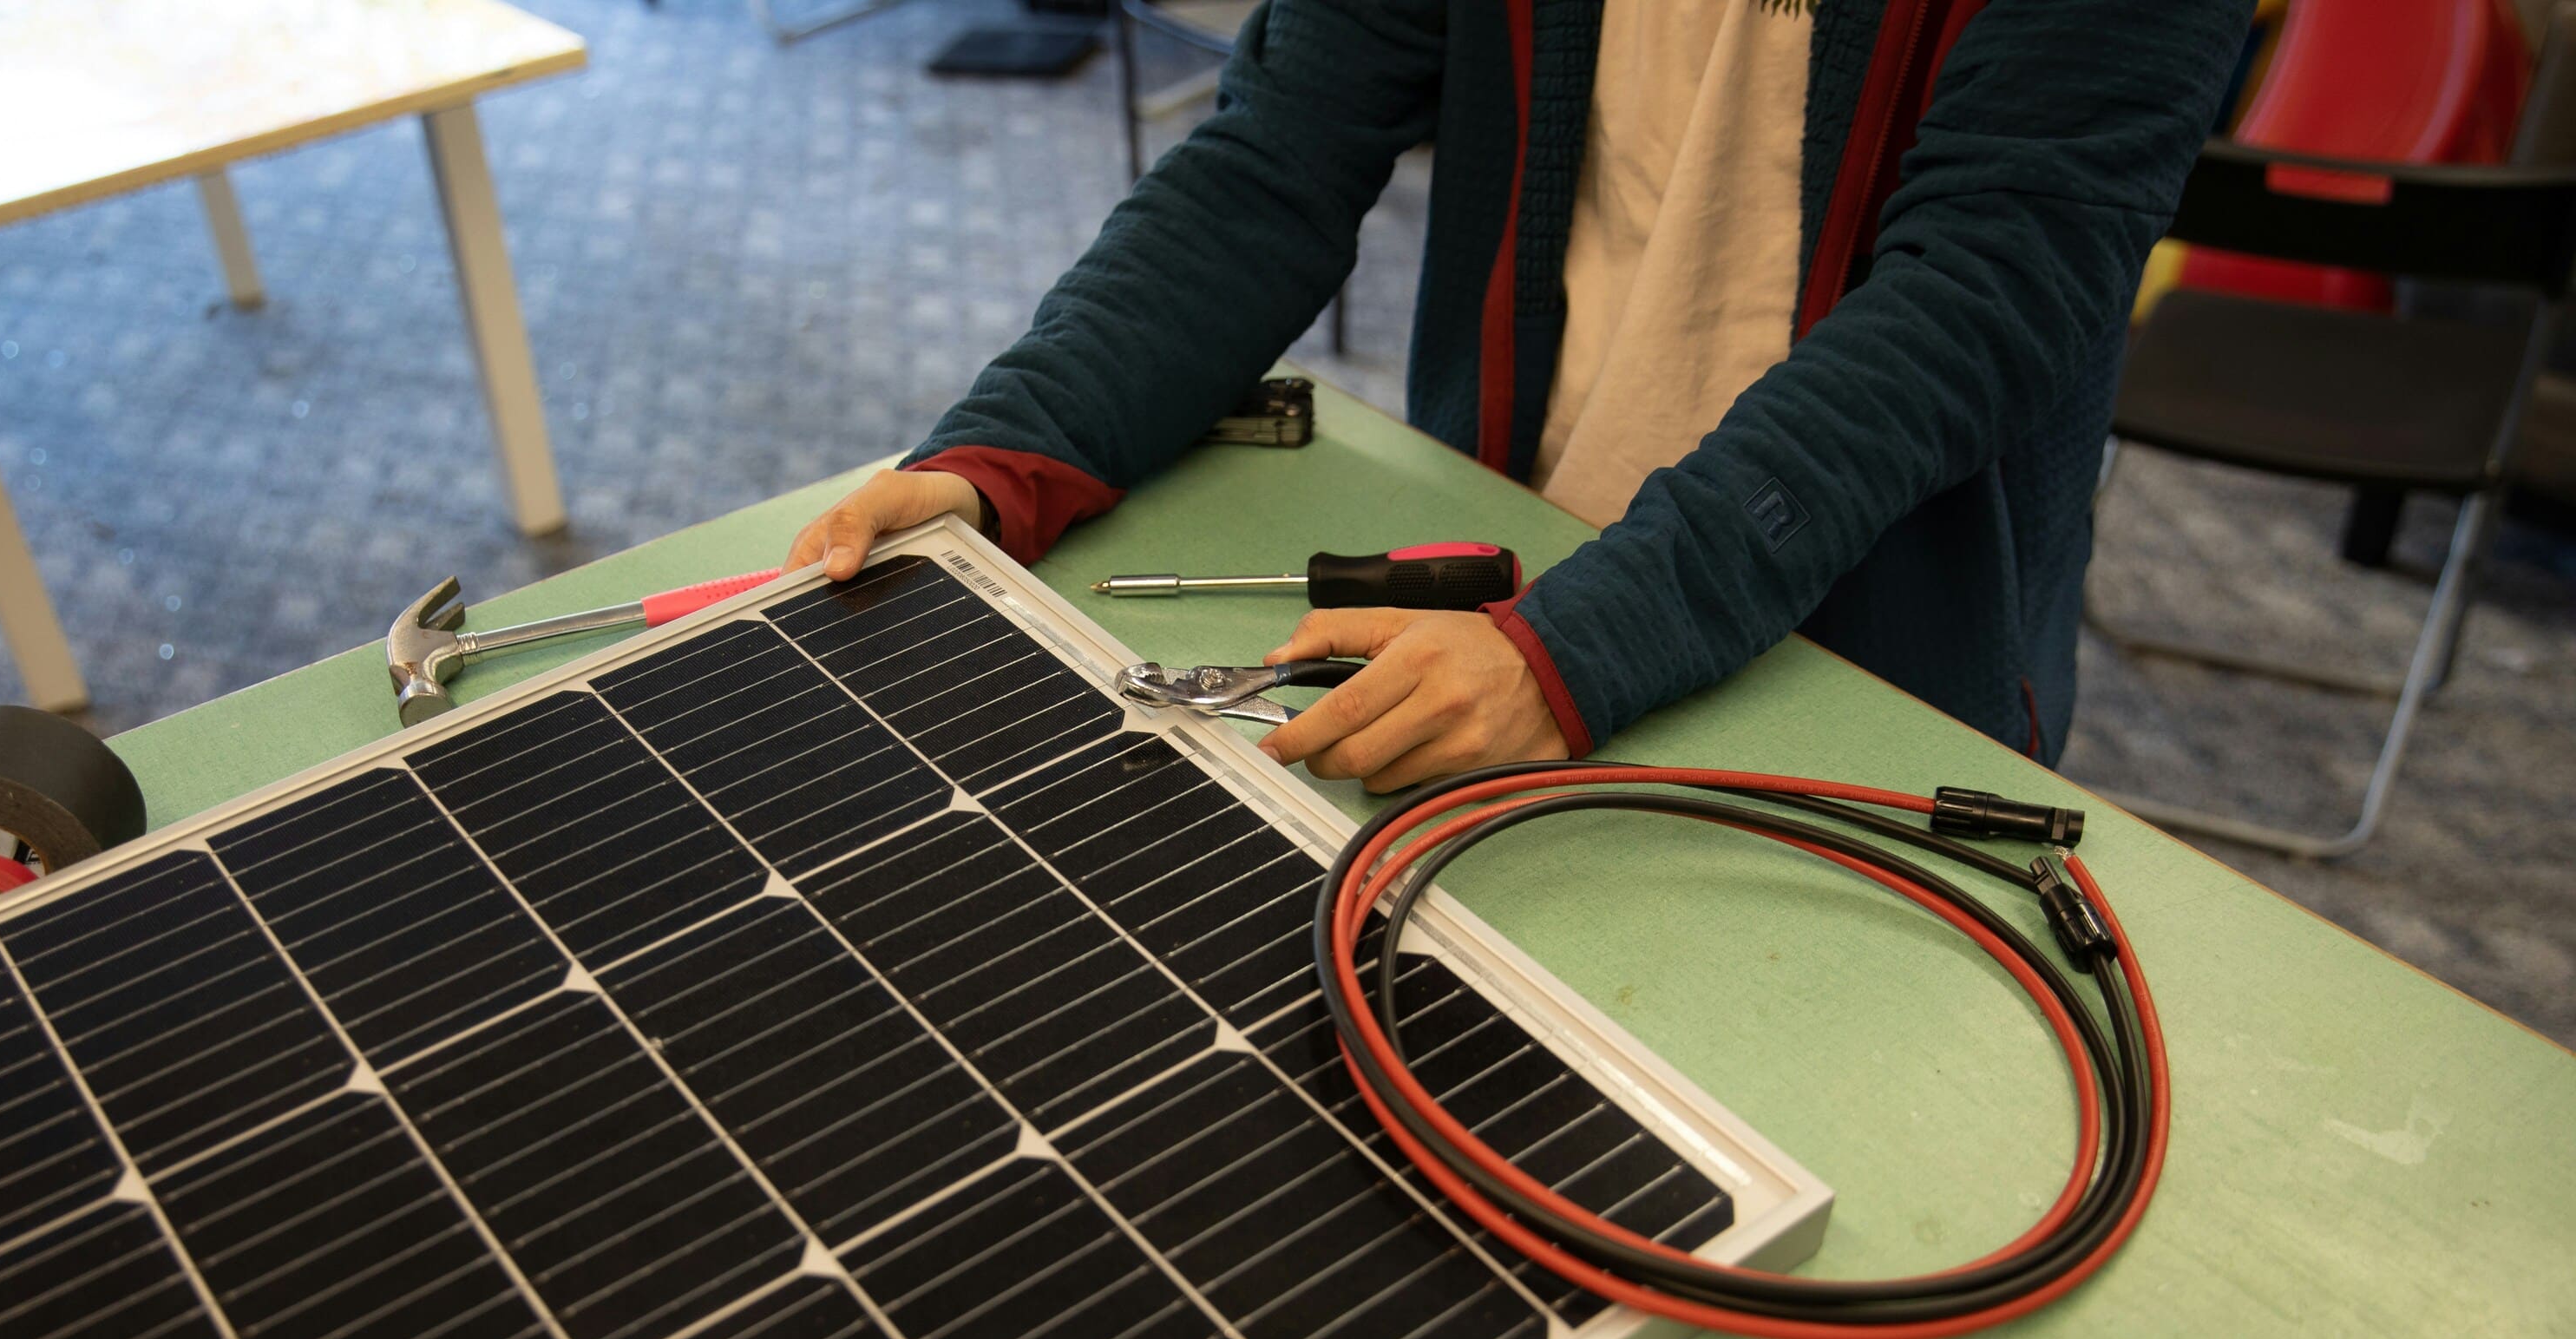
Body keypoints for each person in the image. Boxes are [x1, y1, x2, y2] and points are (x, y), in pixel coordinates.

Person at [783, 0, 2252, 791]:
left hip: (1871, 641)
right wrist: (1016, 448)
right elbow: (1276, 155)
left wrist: (1585, 647)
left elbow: (1983, 301)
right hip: (1512, 566)